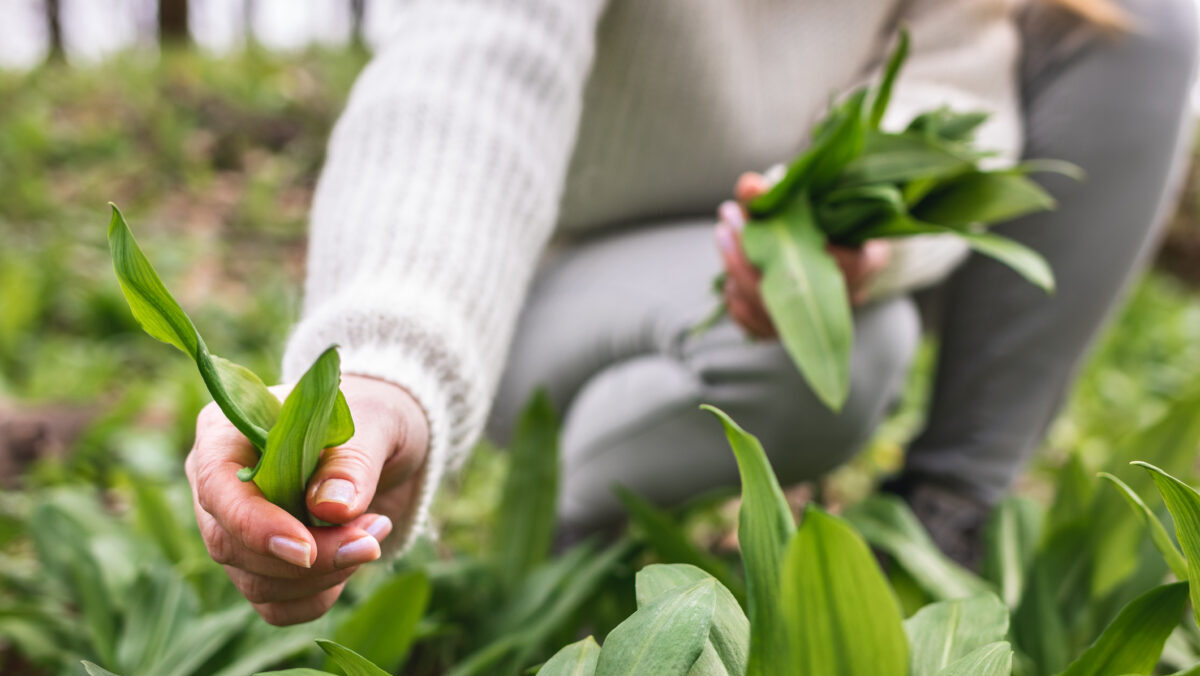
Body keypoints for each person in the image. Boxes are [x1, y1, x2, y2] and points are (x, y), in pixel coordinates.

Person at [184, 0, 1197, 625]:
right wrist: (380, 367)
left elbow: (951, 82)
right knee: (837, 356)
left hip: (768, 241)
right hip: (553, 279)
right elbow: (470, 63)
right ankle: (570, 527)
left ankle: (950, 513)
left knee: (1142, 21)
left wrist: (857, 222)